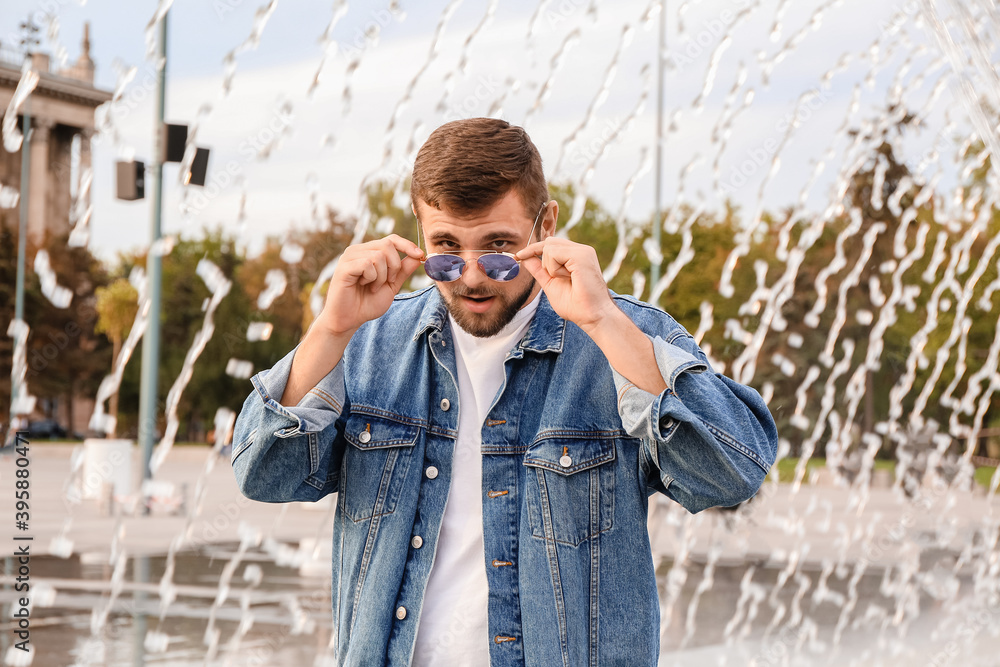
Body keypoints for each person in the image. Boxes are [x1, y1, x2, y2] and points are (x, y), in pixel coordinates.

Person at [232, 117, 777, 666]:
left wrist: (604, 322)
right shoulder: (369, 341)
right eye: (446, 250)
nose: (471, 278)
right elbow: (264, 475)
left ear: (547, 224)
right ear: (418, 235)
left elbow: (731, 474)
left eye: (497, 249)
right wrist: (329, 332)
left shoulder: (622, 337)